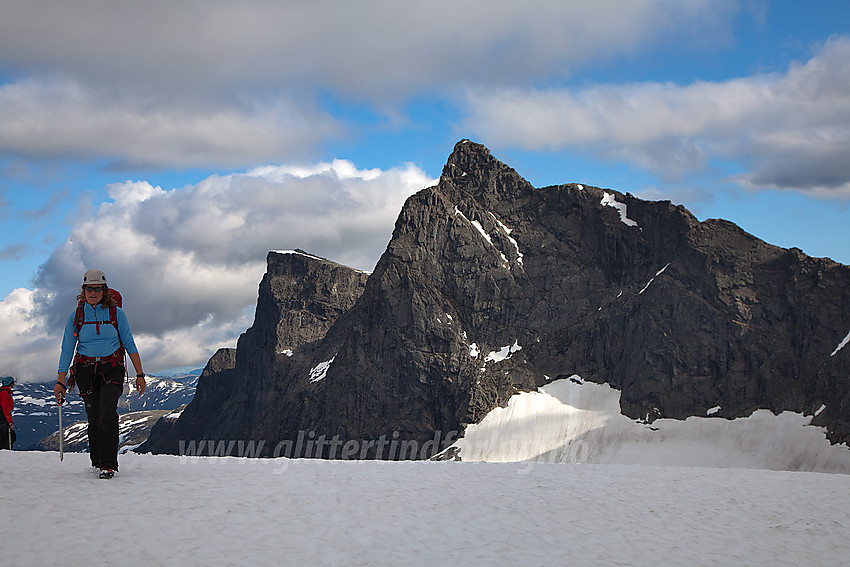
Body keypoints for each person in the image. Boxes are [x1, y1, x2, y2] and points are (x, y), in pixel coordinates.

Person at [54, 269, 146, 478]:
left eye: (97, 288)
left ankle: (108, 464)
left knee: (107, 412)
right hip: (85, 371)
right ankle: (97, 462)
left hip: (111, 368)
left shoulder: (116, 314)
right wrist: (60, 381)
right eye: (89, 288)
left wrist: (140, 374)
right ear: (83, 290)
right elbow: (67, 348)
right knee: (94, 417)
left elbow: (129, 343)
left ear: (104, 290)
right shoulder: (76, 315)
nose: (93, 292)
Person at [0, 376, 14, 450]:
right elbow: (5, 408)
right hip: (3, 418)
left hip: (2, 418)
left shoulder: (3, 392)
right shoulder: (4, 393)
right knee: (7, 438)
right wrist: (10, 421)